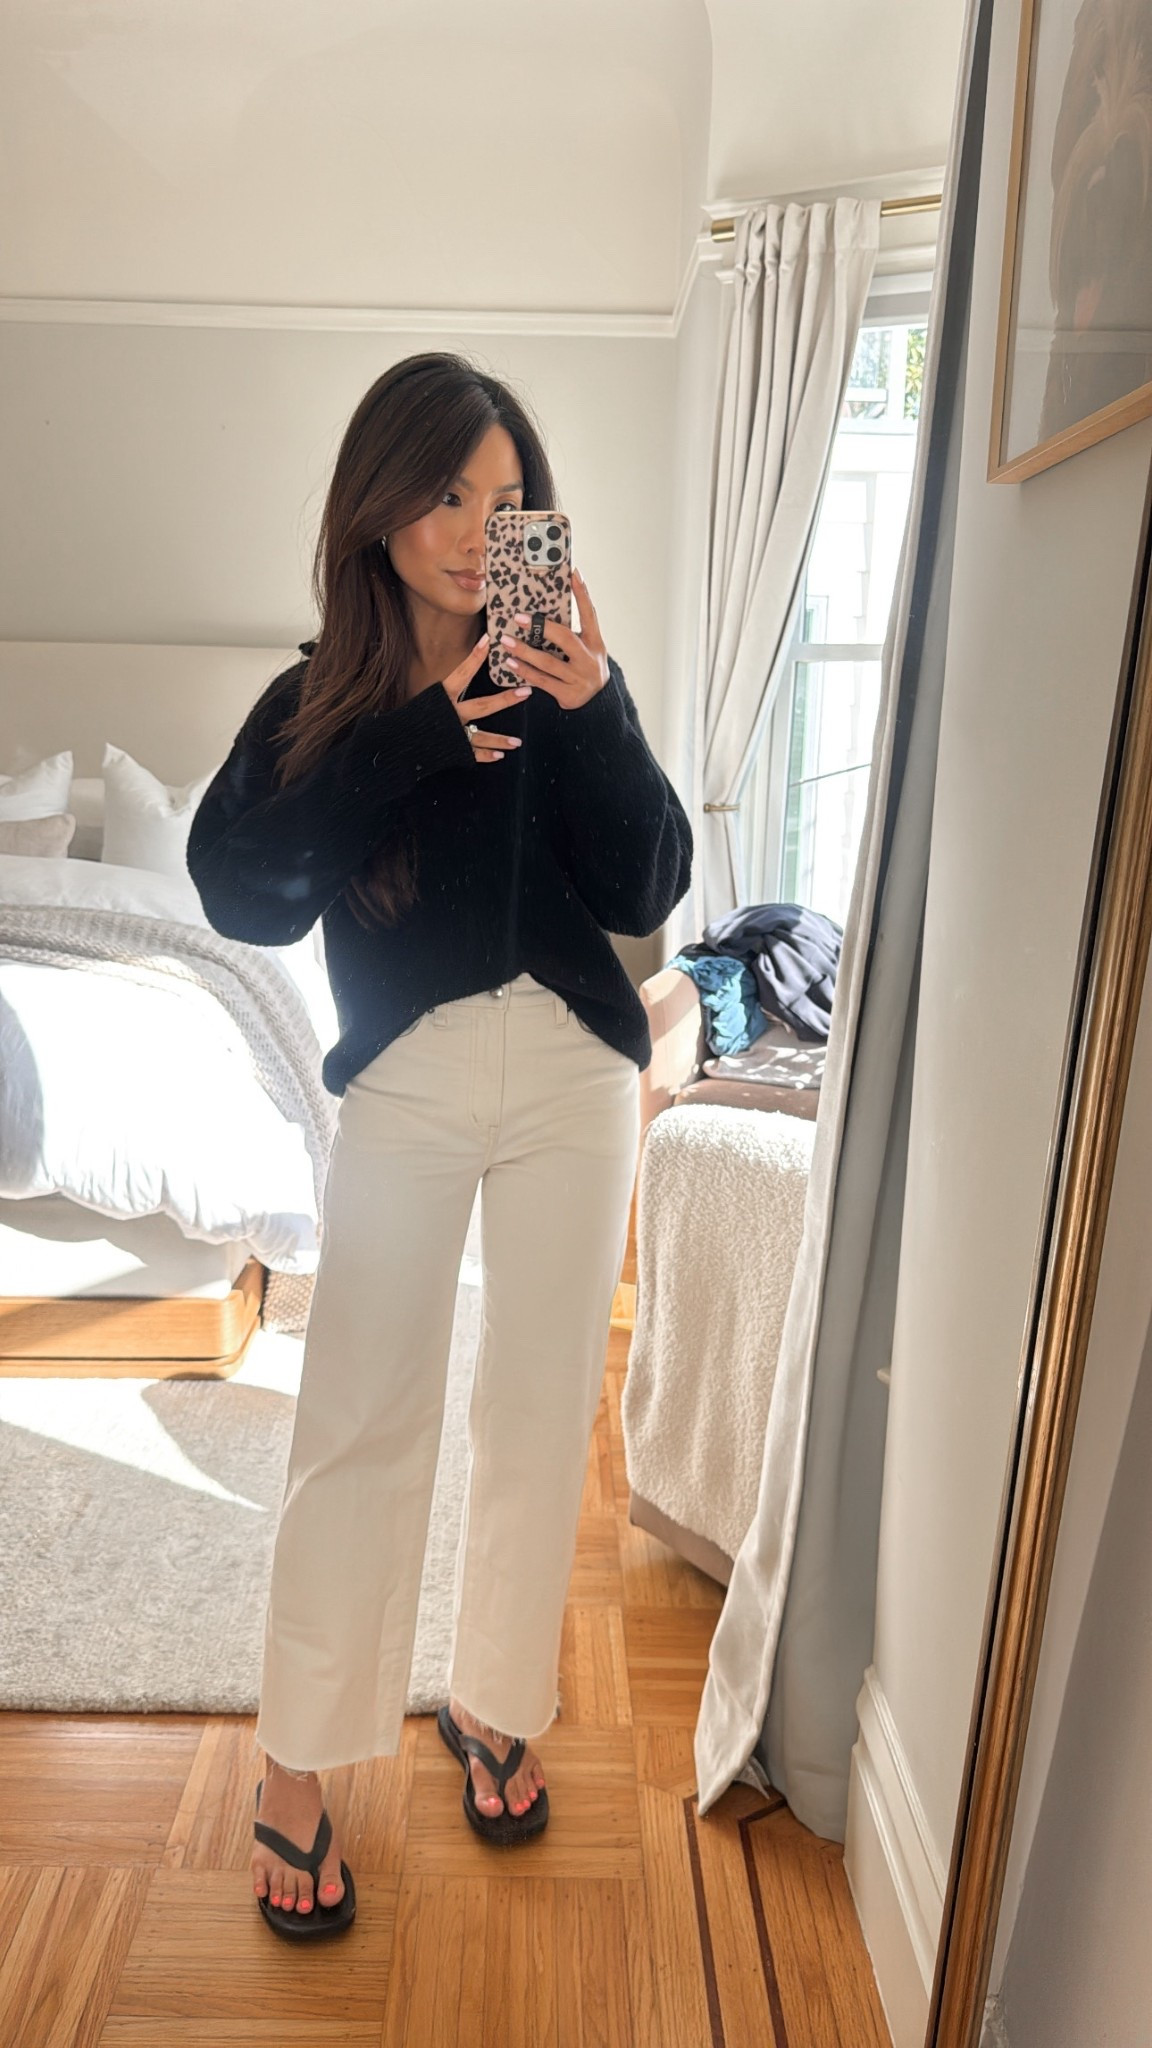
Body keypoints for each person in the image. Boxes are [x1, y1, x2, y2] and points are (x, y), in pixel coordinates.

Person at [186, 350, 693, 1935]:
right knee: (361, 1422)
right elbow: (240, 890)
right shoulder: (318, 702)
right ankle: (296, 1767)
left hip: (573, 1082)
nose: (480, 530)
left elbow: (648, 885)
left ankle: (493, 1703)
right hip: (403, 1086)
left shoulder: (561, 680)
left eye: (507, 497)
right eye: (448, 493)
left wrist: (598, 712)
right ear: (380, 506)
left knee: (536, 1419)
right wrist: (418, 736)